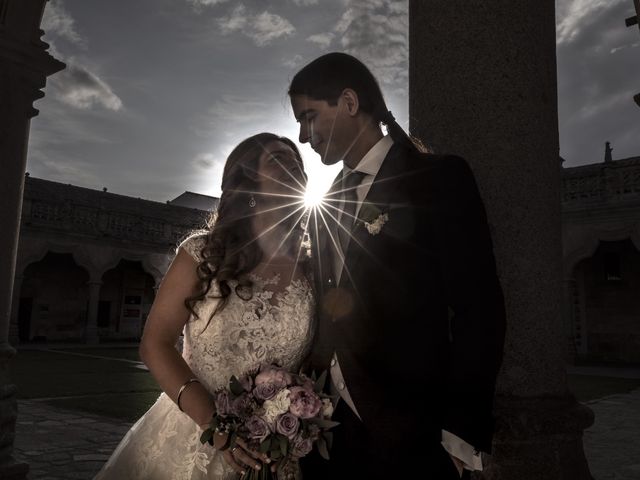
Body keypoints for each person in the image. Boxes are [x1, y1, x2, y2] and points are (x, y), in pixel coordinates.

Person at [289, 52, 506, 479]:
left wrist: (460, 431)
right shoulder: (321, 204)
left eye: (309, 117)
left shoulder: (438, 178)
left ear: (349, 103)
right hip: (324, 441)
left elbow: (478, 309)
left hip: (415, 438)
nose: (302, 136)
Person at [94, 133, 314, 480]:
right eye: (279, 161)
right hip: (192, 439)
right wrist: (216, 425)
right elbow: (155, 343)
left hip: (277, 455)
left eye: (298, 165)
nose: (295, 171)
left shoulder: (314, 269)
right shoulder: (202, 254)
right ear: (248, 185)